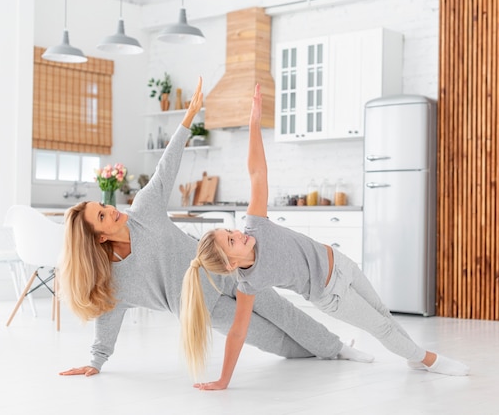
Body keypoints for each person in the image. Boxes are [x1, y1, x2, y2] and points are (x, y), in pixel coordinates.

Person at [57, 77, 372, 378]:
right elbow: (108, 316)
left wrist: (188, 120)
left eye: (104, 206)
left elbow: (165, 169)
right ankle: (322, 354)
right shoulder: (114, 280)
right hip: (203, 305)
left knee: (282, 311)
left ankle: (337, 349)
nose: (111, 209)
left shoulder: (143, 210)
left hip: (224, 265)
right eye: (102, 216)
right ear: (99, 238)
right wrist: (95, 361)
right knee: (270, 339)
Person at [181, 84, 470, 390]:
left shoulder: (255, 225)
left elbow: (257, 173)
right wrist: (224, 380)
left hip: (340, 263)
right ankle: (430, 360)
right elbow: (238, 332)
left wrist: (254, 122)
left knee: (382, 313)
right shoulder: (248, 284)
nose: (237, 233)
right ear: (230, 265)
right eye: (231, 241)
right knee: (382, 327)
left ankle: (412, 356)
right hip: (331, 295)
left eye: (230, 232)